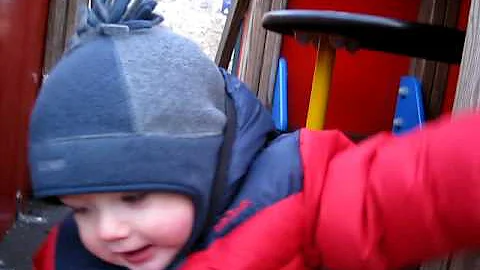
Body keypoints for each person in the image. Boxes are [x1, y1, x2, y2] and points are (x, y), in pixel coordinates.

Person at [30, 1, 480, 270]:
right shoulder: (69, 256)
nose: (108, 231)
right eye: (82, 209)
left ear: (203, 162)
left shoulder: (296, 200)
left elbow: (423, 183)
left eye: (135, 197)